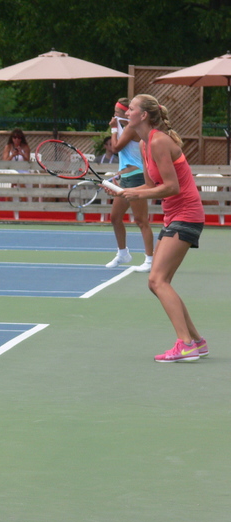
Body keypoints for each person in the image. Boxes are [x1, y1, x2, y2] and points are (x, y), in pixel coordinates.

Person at [108, 94, 207, 363]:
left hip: (186, 214)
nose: (126, 112)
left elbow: (172, 187)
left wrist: (137, 196)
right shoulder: (143, 145)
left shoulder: (160, 141)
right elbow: (152, 186)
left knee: (156, 280)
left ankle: (185, 345)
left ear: (144, 116)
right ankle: (196, 341)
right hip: (174, 215)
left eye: (131, 109)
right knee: (159, 283)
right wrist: (125, 190)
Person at [105, 98, 154, 271]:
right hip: (126, 176)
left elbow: (115, 147)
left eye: (118, 112)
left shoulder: (131, 128)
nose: (116, 115)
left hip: (137, 177)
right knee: (115, 217)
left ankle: (149, 260)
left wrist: (112, 129)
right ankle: (123, 253)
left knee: (141, 220)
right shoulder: (126, 127)